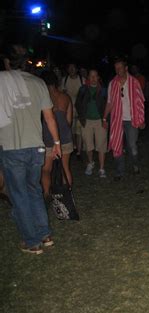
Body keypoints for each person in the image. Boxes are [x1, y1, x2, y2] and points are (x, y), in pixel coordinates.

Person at [0, 44, 61, 254]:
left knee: (19, 195)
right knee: (34, 190)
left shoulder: (1, 81)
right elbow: (49, 117)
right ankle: (45, 234)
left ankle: (32, 241)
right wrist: (57, 143)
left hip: (12, 147)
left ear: (8, 62)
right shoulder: (38, 82)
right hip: (37, 148)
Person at [102, 57, 145, 181]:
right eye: (116, 68)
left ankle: (135, 165)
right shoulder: (112, 84)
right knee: (117, 145)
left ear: (126, 68)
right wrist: (104, 118)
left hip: (132, 119)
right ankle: (119, 172)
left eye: (120, 68)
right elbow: (109, 103)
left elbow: (140, 102)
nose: (118, 70)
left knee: (132, 145)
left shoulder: (134, 82)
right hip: (117, 119)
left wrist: (141, 119)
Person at [40, 71, 74, 197]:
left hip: (48, 138)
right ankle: (67, 195)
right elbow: (69, 121)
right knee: (65, 167)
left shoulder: (42, 98)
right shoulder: (66, 97)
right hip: (65, 137)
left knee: (46, 169)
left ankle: (47, 194)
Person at [76, 69, 108, 178]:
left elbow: (108, 105)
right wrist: (81, 118)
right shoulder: (83, 89)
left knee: (101, 145)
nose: (93, 78)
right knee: (88, 144)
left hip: (100, 121)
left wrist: (106, 119)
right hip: (87, 121)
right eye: (91, 76)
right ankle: (90, 163)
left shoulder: (103, 90)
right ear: (88, 77)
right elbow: (78, 104)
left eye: (95, 76)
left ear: (98, 77)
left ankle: (102, 168)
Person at [61, 63, 84, 161]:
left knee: (79, 131)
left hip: (80, 110)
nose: (71, 70)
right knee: (71, 130)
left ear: (76, 69)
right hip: (68, 110)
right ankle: (74, 146)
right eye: (69, 68)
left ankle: (79, 151)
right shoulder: (64, 80)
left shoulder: (82, 80)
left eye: (73, 68)